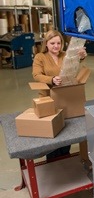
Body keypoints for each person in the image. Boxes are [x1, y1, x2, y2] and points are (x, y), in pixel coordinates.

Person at [32, 29, 87, 160]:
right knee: (53, 131)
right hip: (48, 98)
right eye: (52, 43)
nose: (56, 46)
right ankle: (52, 160)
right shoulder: (40, 57)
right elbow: (36, 75)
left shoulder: (65, 55)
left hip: (64, 96)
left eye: (58, 43)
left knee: (66, 130)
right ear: (46, 43)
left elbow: (75, 64)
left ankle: (65, 157)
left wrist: (81, 56)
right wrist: (51, 79)